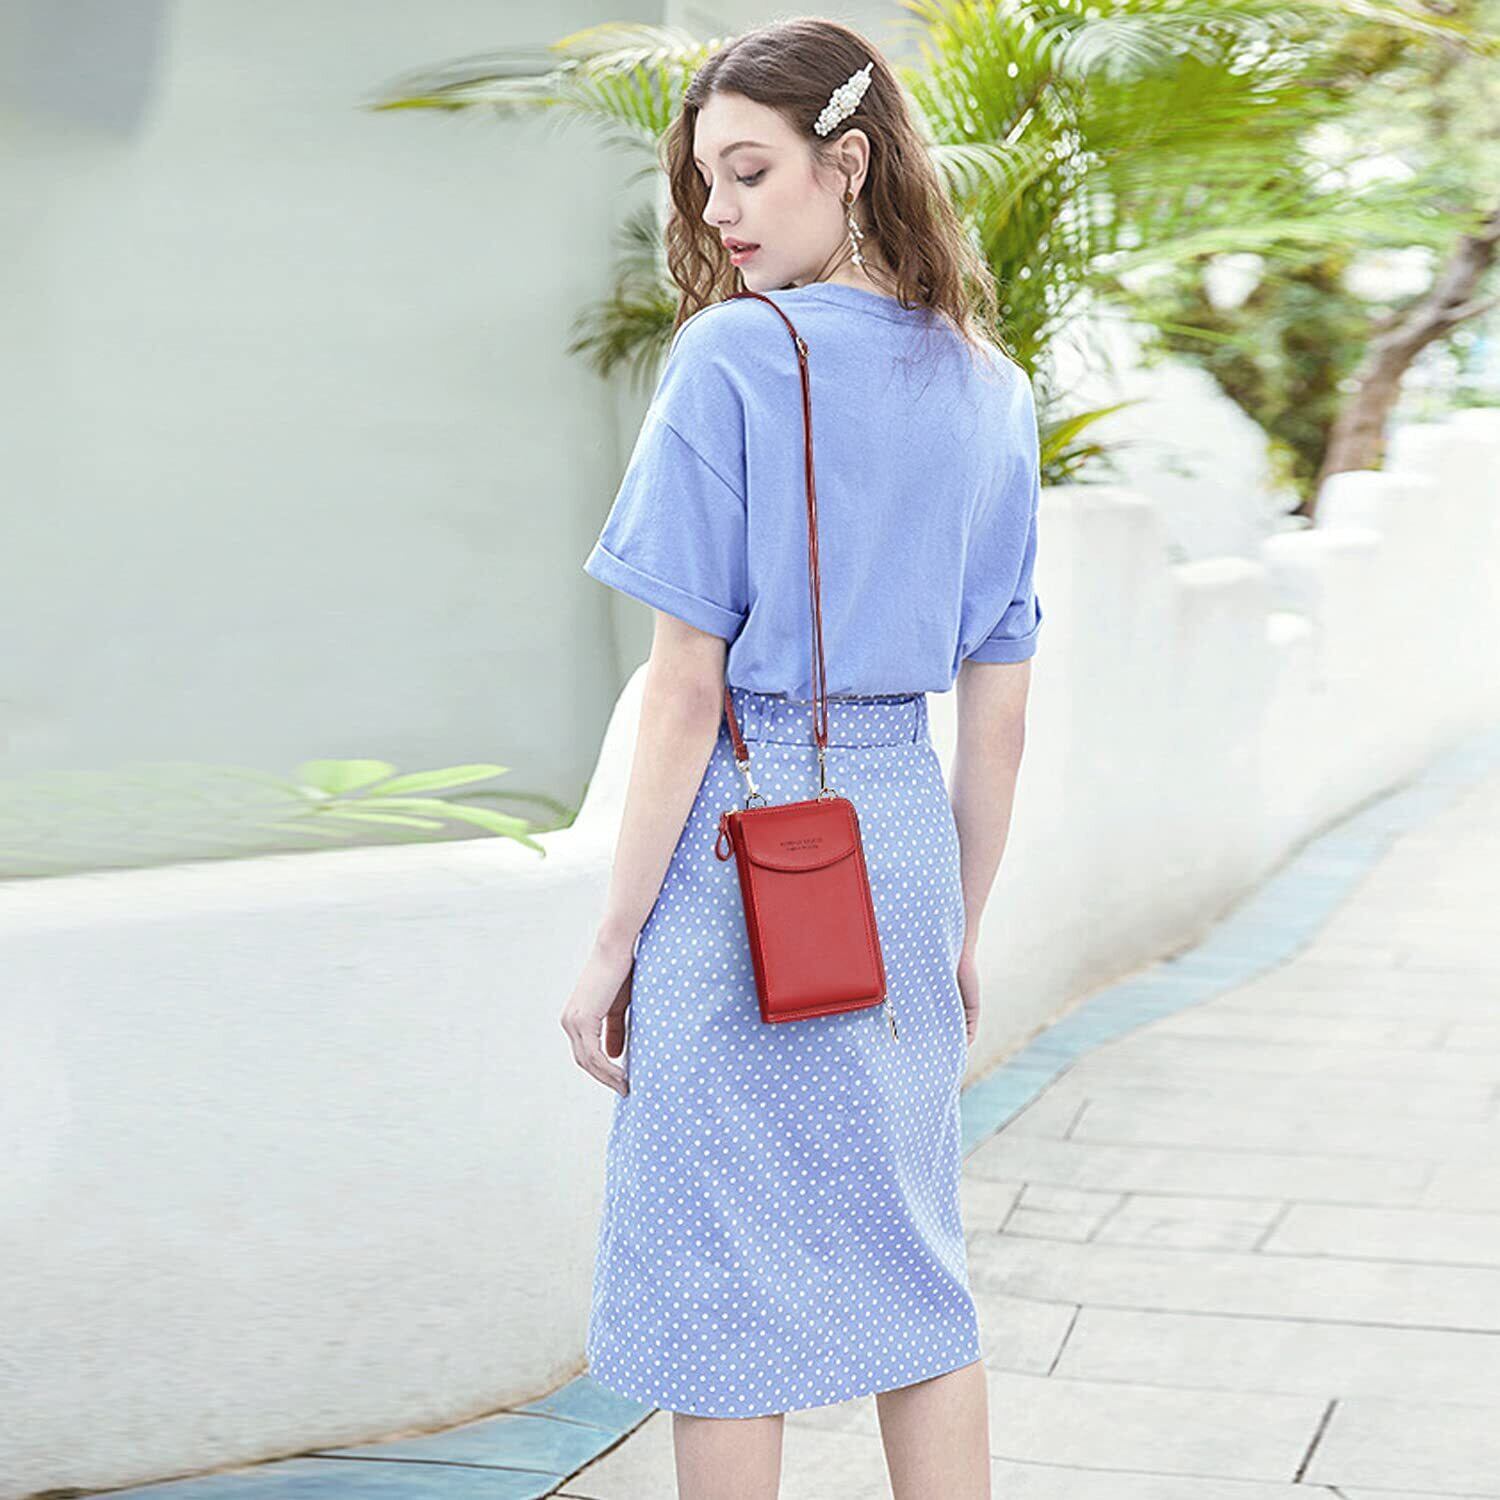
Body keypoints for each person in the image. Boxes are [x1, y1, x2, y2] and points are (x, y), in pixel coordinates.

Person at [560, 17, 1041, 1500]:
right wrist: (957, 922)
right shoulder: (991, 386)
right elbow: (1001, 699)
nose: (720, 211)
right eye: (705, 181)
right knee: (913, 1261)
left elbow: (685, 689)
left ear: (850, 164)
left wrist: (614, 939)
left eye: (750, 171)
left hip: (747, 845)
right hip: (894, 849)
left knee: (721, 1281)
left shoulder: (733, 357)